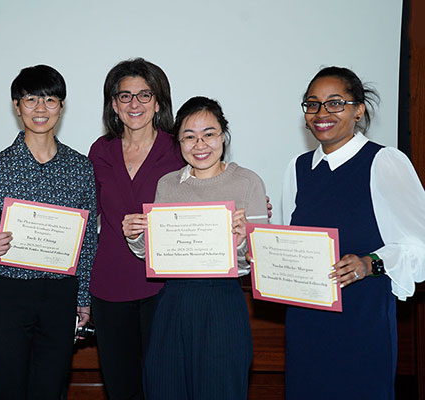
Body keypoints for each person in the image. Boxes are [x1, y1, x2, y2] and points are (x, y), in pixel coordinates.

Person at [282, 66, 425, 399]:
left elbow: (420, 245)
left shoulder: (384, 162)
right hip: (305, 324)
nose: (321, 113)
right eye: (312, 104)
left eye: (335, 103)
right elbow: (291, 240)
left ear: (359, 110)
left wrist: (369, 263)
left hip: (362, 324)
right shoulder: (298, 168)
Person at [123, 96, 268, 399]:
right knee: (165, 388)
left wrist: (245, 242)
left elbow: (259, 262)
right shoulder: (168, 184)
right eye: (189, 136)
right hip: (173, 303)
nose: (200, 144)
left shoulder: (248, 182)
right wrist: (135, 235)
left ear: (223, 136)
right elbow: (154, 255)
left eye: (209, 134)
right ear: (179, 142)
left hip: (223, 304)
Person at [0, 64, 98, 399]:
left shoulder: (80, 167)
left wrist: (84, 298)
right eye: (31, 100)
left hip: (59, 293)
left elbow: (88, 240)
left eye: (50, 100)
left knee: (51, 387)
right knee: (6, 386)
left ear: (62, 106)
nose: (41, 109)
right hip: (6, 293)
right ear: (17, 106)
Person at [88, 58, 184, 399]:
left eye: (144, 95)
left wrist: (243, 200)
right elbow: (86, 218)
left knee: (164, 385)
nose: (135, 104)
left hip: (162, 288)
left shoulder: (178, 149)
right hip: (108, 286)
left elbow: (207, 190)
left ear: (158, 102)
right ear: (113, 103)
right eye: (125, 96)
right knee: (120, 386)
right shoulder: (100, 151)